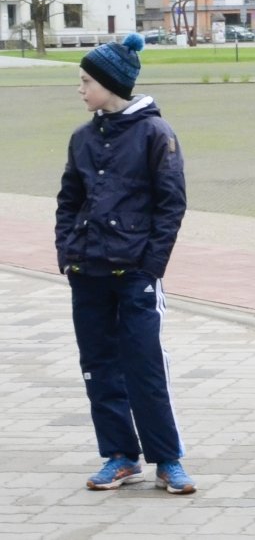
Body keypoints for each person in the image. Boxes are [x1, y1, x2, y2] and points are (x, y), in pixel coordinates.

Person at [55, 33, 195, 494]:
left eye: (85, 81)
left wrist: (151, 266)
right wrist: (67, 251)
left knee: (145, 366)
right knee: (98, 365)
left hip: (135, 274)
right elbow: (68, 199)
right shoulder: (81, 137)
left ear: (110, 84)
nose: (80, 89)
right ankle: (119, 456)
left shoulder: (157, 134)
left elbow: (171, 205)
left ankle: (168, 459)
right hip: (87, 272)